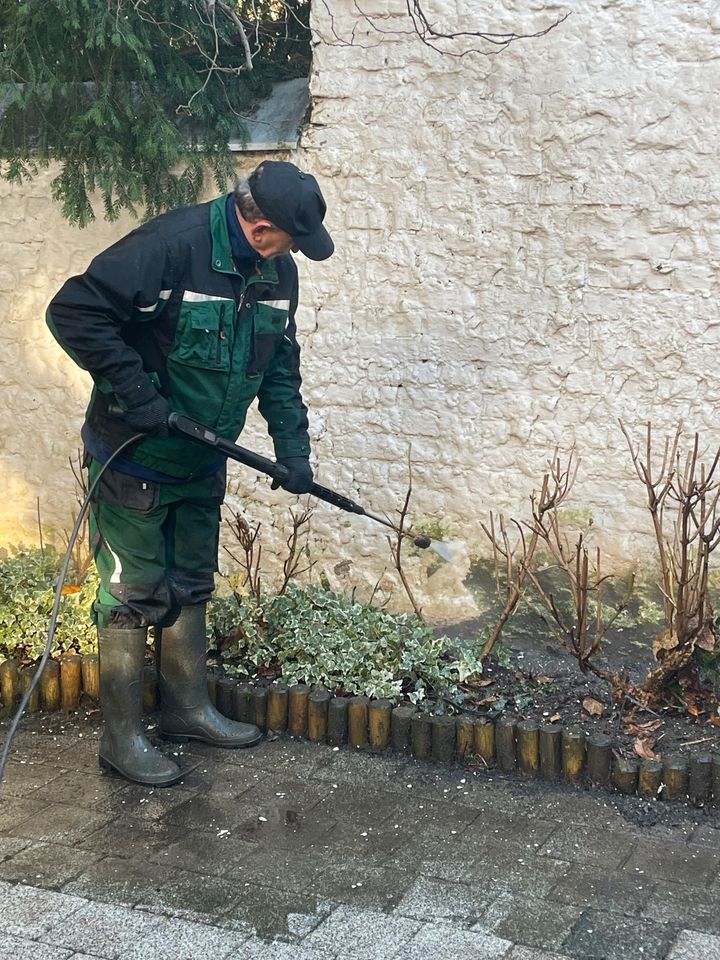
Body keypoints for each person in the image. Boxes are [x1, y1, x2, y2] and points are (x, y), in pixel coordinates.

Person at [46, 160, 334, 786]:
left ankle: (187, 709)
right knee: (133, 592)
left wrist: (293, 451)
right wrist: (136, 392)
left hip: (204, 456)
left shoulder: (275, 272)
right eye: (289, 241)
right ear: (259, 227)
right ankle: (120, 738)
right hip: (135, 455)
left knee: (190, 581)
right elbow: (73, 312)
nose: (293, 256)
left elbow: (279, 365)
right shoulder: (169, 247)